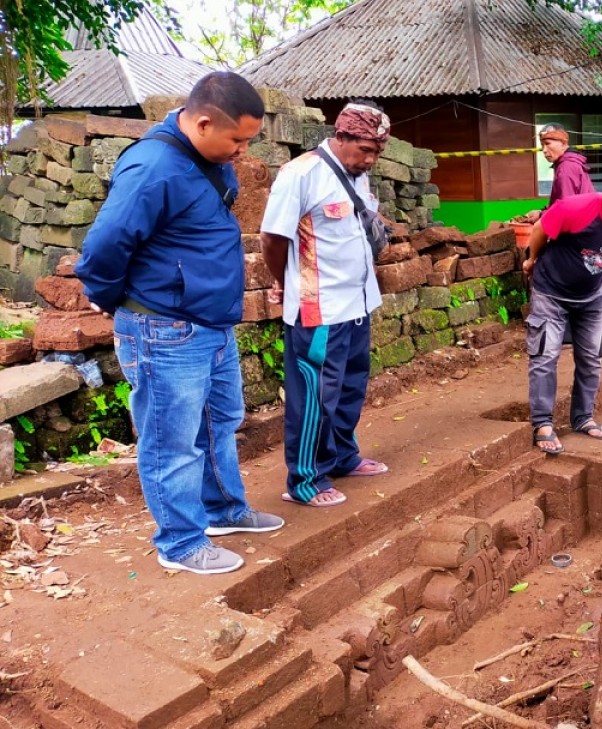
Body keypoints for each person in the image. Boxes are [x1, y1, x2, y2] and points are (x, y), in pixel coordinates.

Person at [75, 72, 283, 575]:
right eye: (237, 139)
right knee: (172, 439)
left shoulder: (203, 158)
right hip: (163, 328)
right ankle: (180, 542)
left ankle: (222, 511)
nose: (242, 150)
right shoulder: (154, 168)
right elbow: (104, 246)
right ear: (205, 122)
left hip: (208, 322)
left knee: (219, 422)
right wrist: (109, 298)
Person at [259, 100, 392, 508]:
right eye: (365, 150)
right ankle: (305, 479)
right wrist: (285, 283)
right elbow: (272, 238)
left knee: (351, 385)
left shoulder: (357, 175)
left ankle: (342, 456)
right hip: (319, 309)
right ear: (341, 137)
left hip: (357, 302)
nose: (369, 160)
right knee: (315, 395)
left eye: (377, 152)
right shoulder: (300, 175)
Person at [523, 171, 602, 455]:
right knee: (545, 355)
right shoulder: (573, 209)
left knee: (591, 357)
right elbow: (540, 230)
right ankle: (542, 423)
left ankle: (582, 417)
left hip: (592, 297)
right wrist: (531, 261)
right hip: (551, 292)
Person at [527, 124, 595, 222]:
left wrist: (542, 216)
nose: (544, 150)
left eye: (548, 143)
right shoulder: (568, 162)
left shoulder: (566, 167)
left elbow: (567, 209)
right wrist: (542, 211)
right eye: (542, 145)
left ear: (563, 143)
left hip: (580, 229)